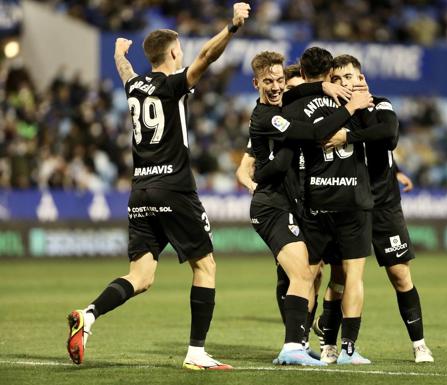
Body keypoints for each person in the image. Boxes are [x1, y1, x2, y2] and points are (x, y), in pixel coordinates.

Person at [65, 3, 251, 370]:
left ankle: (89, 315)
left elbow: (125, 71)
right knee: (205, 266)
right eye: (179, 49)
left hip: (141, 192)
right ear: (172, 53)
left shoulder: (134, 86)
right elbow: (207, 57)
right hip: (174, 188)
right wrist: (232, 27)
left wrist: (119, 53)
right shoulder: (172, 84)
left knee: (141, 276)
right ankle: (197, 352)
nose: (182, 53)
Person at [247, 51, 370, 365]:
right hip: (270, 206)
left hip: (287, 204)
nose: (275, 87)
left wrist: (321, 88)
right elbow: (316, 134)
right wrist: (351, 107)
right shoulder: (267, 117)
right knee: (302, 274)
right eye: (268, 82)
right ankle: (293, 346)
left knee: (304, 276)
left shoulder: (284, 105)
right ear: (255, 83)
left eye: (278, 81)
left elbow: (297, 92)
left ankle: (295, 345)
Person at [313, 54, 434, 364]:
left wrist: (352, 133)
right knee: (340, 277)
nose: (346, 83)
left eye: (352, 76)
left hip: (382, 204)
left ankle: (419, 344)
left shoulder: (379, 105)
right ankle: (330, 346)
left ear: (362, 77)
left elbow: (388, 136)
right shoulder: (333, 113)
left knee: (399, 274)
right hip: (349, 204)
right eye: (338, 79)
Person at [281, 47, 374, 365]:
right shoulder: (355, 103)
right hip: (352, 200)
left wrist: (319, 87)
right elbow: (385, 135)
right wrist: (359, 99)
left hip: (317, 198)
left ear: (303, 73)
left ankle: (300, 341)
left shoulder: (300, 102)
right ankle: (348, 349)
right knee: (352, 277)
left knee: (306, 275)